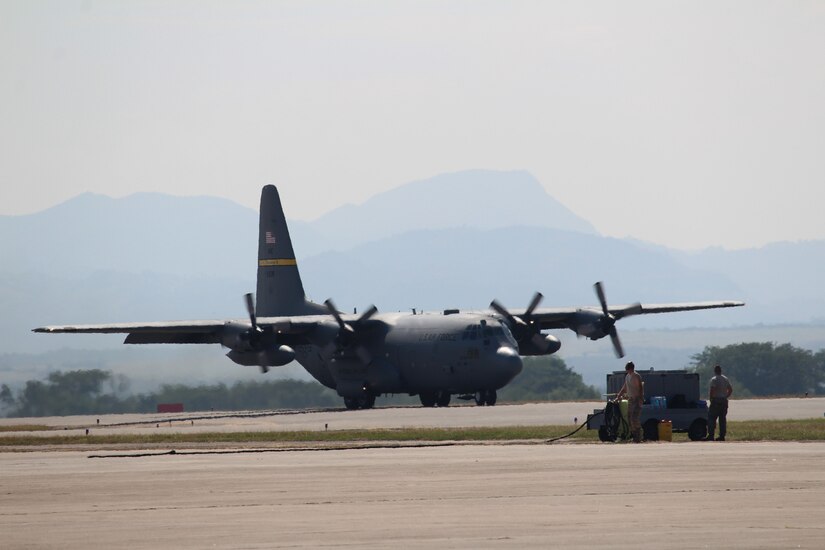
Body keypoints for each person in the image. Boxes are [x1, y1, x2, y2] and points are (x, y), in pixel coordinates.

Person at [615, 361, 644, 443]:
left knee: (634, 418)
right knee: (629, 418)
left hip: (637, 399)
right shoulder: (627, 376)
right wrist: (619, 396)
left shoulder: (636, 376)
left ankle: (638, 436)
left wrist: (641, 399)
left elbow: (641, 388)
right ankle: (634, 436)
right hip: (630, 400)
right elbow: (625, 387)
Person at [707, 364, 733, 441]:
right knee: (722, 419)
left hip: (716, 400)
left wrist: (711, 399)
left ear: (715, 371)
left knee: (711, 418)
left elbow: (712, 390)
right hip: (724, 401)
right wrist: (726, 396)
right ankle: (722, 436)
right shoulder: (725, 379)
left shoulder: (714, 379)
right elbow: (730, 389)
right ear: (721, 371)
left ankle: (711, 435)